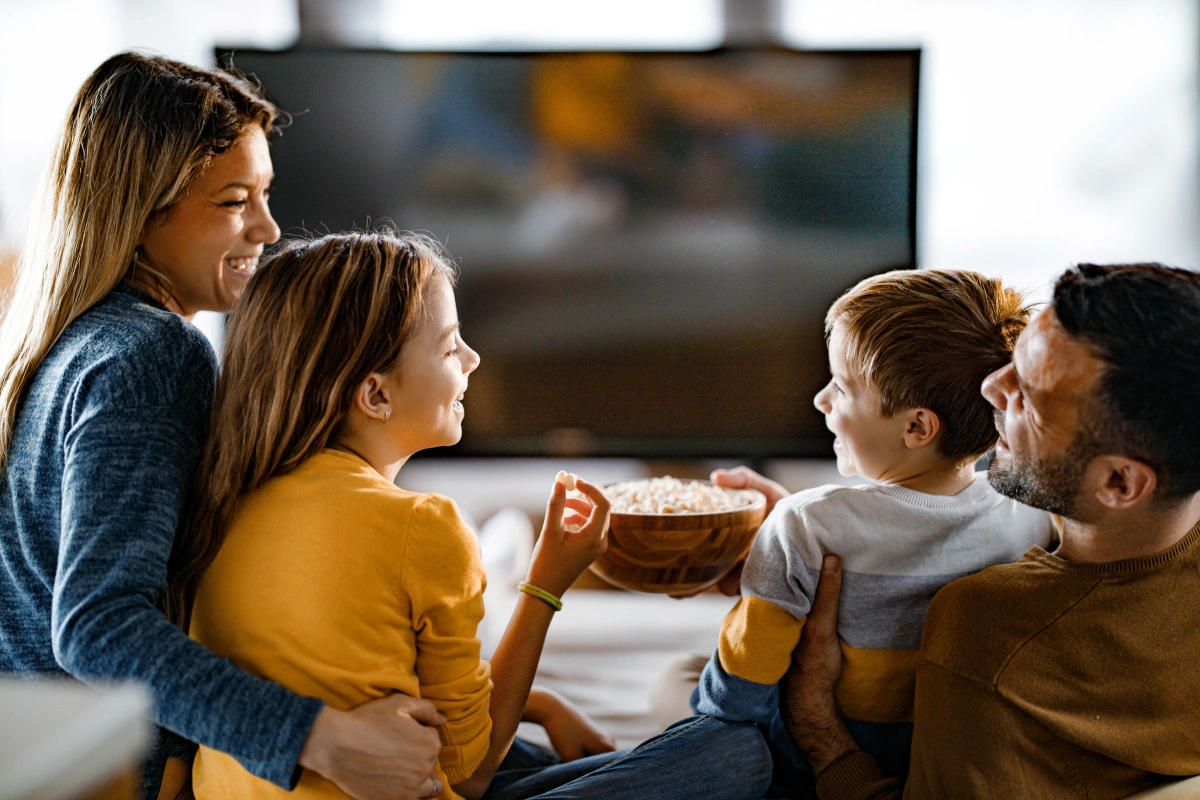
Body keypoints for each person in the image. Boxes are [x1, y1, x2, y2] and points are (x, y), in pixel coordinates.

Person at [171, 230, 773, 800]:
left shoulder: (220, 501)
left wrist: (541, 705)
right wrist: (546, 581)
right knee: (736, 755)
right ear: (376, 395)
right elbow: (470, 770)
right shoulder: (423, 526)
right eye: (448, 344)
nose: (473, 358)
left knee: (544, 758)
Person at [0, 52, 446, 800]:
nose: (269, 229)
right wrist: (319, 738)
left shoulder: (69, 345)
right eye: (235, 201)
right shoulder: (151, 355)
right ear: (142, 214)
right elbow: (95, 626)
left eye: (264, 194)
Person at [782, 263, 1200, 798]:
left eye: (1028, 394)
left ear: (1119, 481)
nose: (990, 387)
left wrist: (822, 733)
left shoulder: (984, 633)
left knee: (679, 682)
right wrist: (835, 532)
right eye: (1018, 353)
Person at [691, 270, 1055, 789]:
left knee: (679, 688)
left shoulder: (803, 524)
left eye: (840, 388)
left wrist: (773, 548)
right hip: (929, 755)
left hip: (811, 757)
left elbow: (740, 692)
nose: (820, 400)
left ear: (916, 427)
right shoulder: (1030, 513)